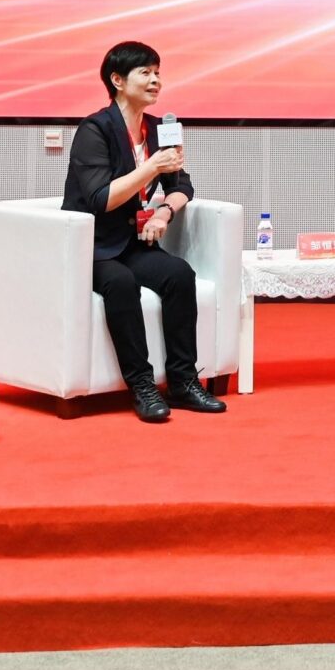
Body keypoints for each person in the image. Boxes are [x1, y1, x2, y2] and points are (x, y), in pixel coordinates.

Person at [63, 41, 226, 422]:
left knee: (179, 274)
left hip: (131, 241)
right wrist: (152, 167)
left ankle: (184, 382)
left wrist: (164, 213)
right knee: (120, 283)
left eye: (158, 73)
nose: (155, 81)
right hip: (93, 246)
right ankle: (142, 385)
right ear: (117, 80)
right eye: (145, 73)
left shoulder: (158, 129)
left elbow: (182, 185)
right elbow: (101, 198)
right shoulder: (94, 130)